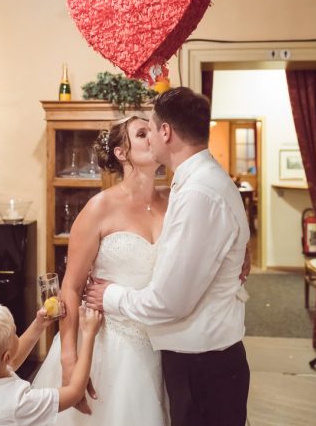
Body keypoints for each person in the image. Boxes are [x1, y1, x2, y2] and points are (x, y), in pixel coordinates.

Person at [86, 87, 251, 426]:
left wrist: (110, 295)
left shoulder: (198, 193)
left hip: (203, 363)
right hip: (177, 356)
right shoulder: (191, 184)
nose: (149, 137)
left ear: (166, 132)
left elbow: (170, 301)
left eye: (151, 126)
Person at [33, 116, 171, 425]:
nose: (154, 136)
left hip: (162, 343)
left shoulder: (173, 202)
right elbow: (71, 286)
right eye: (142, 133)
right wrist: (70, 359)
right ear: (122, 154)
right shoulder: (99, 208)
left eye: (154, 130)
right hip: (108, 345)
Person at [0, 301, 102, 425]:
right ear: (6, 357)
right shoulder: (18, 402)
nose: (16, 334)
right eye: (14, 333)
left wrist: (38, 325)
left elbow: (11, 363)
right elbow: (74, 392)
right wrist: (89, 335)